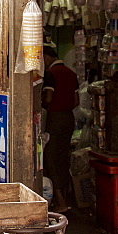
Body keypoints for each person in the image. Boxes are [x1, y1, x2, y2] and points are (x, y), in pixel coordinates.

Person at [42, 43, 79, 212]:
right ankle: (66, 196)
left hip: (55, 118)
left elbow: (48, 98)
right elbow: (76, 100)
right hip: (68, 118)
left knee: (50, 157)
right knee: (63, 156)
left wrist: (42, 102)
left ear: (47, 57)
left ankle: (60, 201)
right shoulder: (72, 74)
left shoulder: (50, 74)